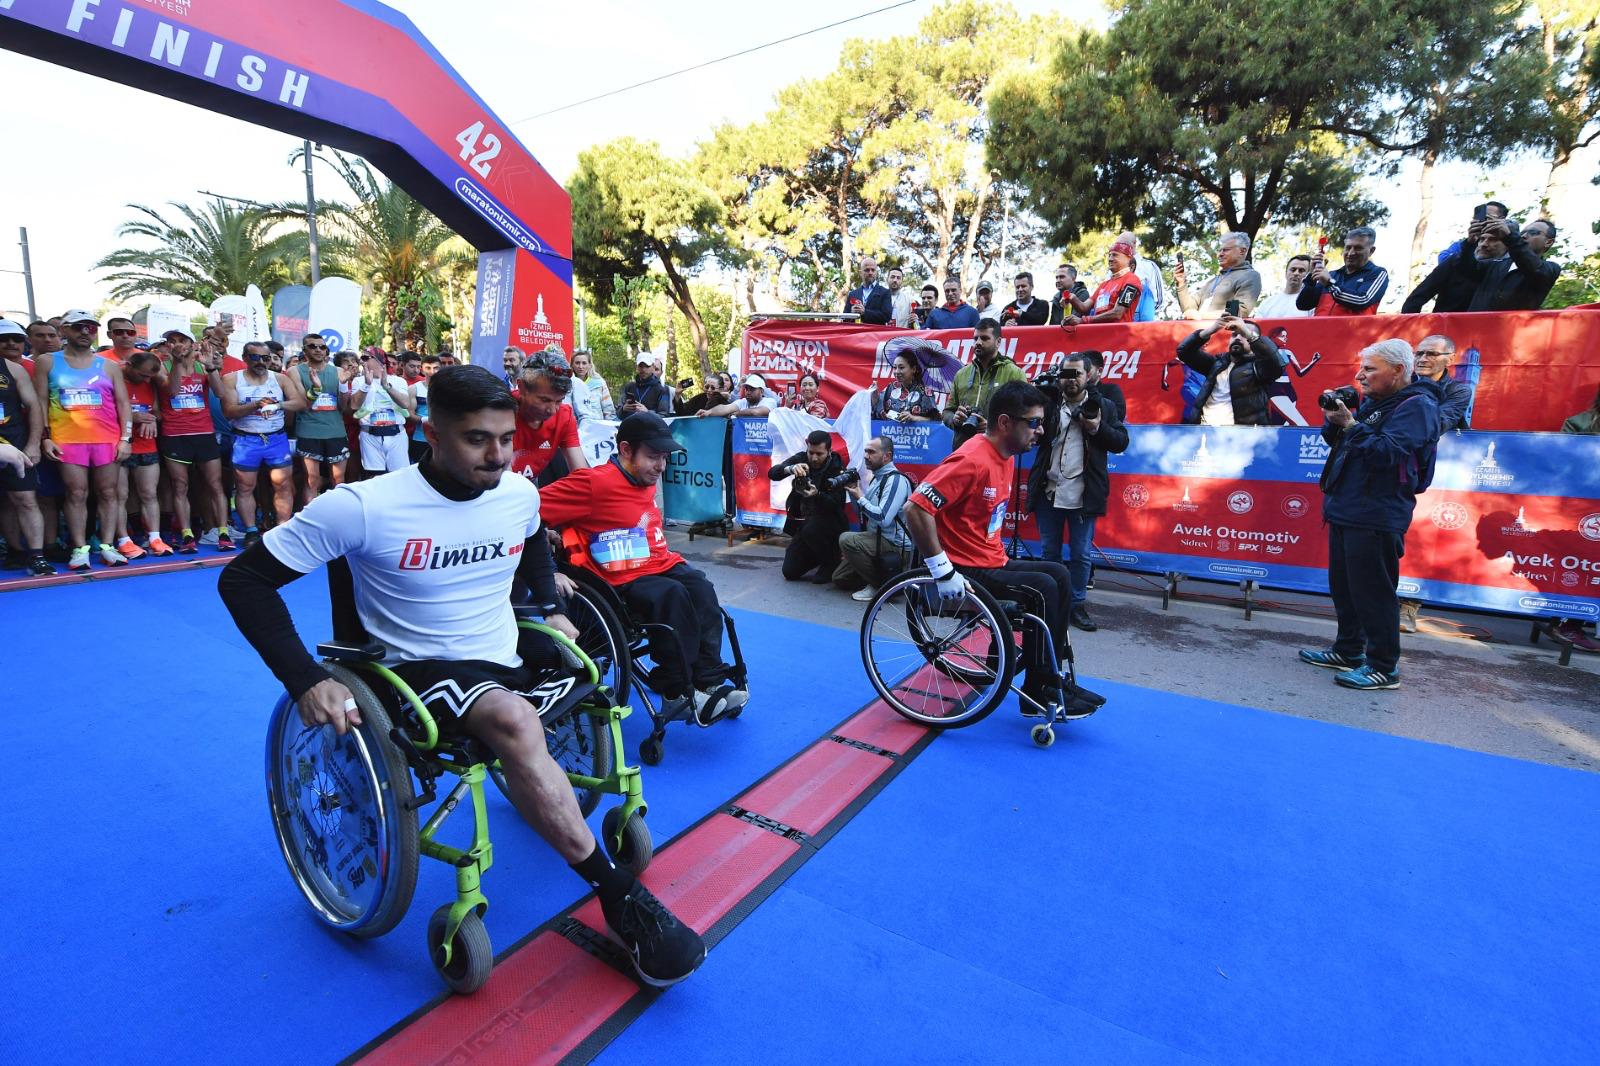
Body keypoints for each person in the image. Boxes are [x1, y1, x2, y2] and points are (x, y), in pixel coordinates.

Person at [218, 366, 706, 988]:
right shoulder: (363, 507)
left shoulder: (519, 493)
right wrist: (306, 678)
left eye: (505, 438)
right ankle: (617, 895)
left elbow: (530, 539)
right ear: (432, 432)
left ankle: (551, 784)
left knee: (592, 668)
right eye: (477, 439)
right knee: (512, 718)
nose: (497, 455)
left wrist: (548, 606)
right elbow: (244, 580)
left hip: (504, 652)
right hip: (414, 671)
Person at [541, 410, 749, 723]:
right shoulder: (592, 483)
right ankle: (676, 691)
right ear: (625, 450)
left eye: (664, 457)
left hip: (656, 561)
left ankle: (709, 680)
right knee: (672, 595)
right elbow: (526, 508)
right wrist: (546, 557)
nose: (661, 467)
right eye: (653, 457)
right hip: (614, 576)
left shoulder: (644, 477)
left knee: (701, 587)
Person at [905, 380, 1098, 715]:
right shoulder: (972, 459)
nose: (1040, 431)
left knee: (1059, 574)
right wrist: (941, 569)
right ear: (1006, 423)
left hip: (990, 558)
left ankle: (1053, 676)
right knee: (1042, 588)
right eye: (1034, 423)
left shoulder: (1006, 455)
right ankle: (1040, 688)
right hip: (965, 567)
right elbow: (916, 508)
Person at [1300, 339, 1442, 690]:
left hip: (1377, 512)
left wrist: (1350, 424)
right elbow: (1344, 443)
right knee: (1345, 588)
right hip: (1347, 506)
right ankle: (1348, 650)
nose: (1361, 376)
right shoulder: (1376, 402)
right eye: (1361, 368)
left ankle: (1384, 667)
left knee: (1374, 592)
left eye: (1370, 369)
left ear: (1397, 371)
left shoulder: (1417, 405)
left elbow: (1386, 452)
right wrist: (1336, 421)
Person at [1027, 353, 1129, 631]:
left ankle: (1076, 605)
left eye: (1076, 375)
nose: (1070, 380)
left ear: (1088, 376)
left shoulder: (1104, 406)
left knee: (1081, 554)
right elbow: (1031, 435)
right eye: (1065, 374)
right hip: (1049, 491)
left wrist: (1097, 429)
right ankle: (1051, 603)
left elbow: (1121, 441)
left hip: (1083, 495)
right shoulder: (1047, 405)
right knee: (1050, 552)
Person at [34, 310, 134, 571]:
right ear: (64, 331)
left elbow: (123, 404)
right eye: (78, 327)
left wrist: (125, 438)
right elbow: (40, 403)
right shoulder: (48, 361)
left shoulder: (108, 365)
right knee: (76, 493)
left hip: (106, 440)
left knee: (109, 493)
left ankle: (108, 546)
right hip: (67, 439)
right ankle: (80, 548)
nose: (85, 332)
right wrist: (45, 437)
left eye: (90, 327)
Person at [222, 341, 307, 545]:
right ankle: (251, 531)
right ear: (245, 358)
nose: (261, 362)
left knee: (283, 484)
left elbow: (300, 402)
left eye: (266, 358)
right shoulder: (232, 379)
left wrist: (278, 405)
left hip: (275, 437)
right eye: (255, 357)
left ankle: (282, 529)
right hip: (245, 439)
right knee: (245, 486)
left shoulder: (279, 379)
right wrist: (254, 405)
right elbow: (229, 411)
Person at [156, 327, 231, 553]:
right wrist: (178, 363)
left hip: (204, 433)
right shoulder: (162, 367)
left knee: (215, 484)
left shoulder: (202, 365)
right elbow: (174, 391)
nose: (176, 344)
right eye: (171, 341)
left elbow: (220, 394)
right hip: (175, 434)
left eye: (181, 340)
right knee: (180, 486)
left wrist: (211, 368)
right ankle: (187, 535)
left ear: (192, 343)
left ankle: (223, 532)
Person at [0, 320, 54, 574]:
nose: (11, 343)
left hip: (14, 442)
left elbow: (34, 407)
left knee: (25, 499)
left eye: (16, 339)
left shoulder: (15, 370)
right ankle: (15, 550)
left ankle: (36, 555)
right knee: (5, 504)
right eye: (4, 339)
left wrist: (34, 444)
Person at [834, 435, 913, 600]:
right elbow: (864, 515)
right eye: (865, 451)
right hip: (877, 538)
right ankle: (877, 577)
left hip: (895, 546)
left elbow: (883, 518)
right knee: (840, 578)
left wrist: (860, 497)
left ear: (887, 456)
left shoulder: (896, 480)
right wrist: (855, 494)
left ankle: (884, 586)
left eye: (871, 452)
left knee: (846, 539)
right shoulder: (878, 478)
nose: (866, 456)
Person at [1175, 315, 1287, 427]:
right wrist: (1211, 330)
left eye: (1243, 334)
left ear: (1253, 339)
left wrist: (1247, 332)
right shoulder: (1216, 363)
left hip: (1241, 437)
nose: (1238, 337)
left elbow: (1277, 363)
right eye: (1234, 334)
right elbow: (1184, 351)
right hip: (1206, 433)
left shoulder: (1259, 367)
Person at [769, 429, 850, 583]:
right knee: (790, 571)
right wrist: (790, 469)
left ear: (829, 451)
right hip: (805, 522)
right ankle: (817, 556)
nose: (814, 458)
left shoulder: (836, 466)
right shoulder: (801, 458)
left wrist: (817, 495)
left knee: (811, 529)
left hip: (830, 522)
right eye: (811, 452)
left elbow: (837, 504)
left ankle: (830, 562)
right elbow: (772, 473)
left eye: (819, 454)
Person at [116, 351, 170, 558]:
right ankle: (124, 540)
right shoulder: (115, 380)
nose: (147, 380)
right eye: (143, 375)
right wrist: (133, 416)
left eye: (150, 377)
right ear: (129, 366)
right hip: (120, 445)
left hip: (147, 445)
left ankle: (155, 538)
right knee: (119, 495)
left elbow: (156, 411)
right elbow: (105, 411)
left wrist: (150, 419)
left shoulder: (151, 384)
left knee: (149, 493)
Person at [1401, 215, 1511, 314]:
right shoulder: (1454, 263)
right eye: (1481, 239)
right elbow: (1416, 299)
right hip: (1444, 332)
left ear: (1507, 244)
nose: (1484, 244)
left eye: (1493, 239)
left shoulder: (1512, 271)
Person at [511, 348, 588, 483]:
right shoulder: (500, 412)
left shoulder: (564, 416)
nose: (552, 410)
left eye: (559, 400)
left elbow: (581, 475)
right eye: (544, 400)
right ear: (521, 387)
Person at [292, 333, 350, 508]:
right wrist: (316, 389)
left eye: (322, 346)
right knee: (312, 479)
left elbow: (344, 407)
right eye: (312, 346)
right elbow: (303, 404)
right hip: (309, 431)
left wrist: (343, 385)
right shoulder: (294, 371)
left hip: (335, 431)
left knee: (339, 479)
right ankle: (310, 521)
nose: (318, 350)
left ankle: (337, 519)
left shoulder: (338, 371)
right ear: (304, 350)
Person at [943, 320, 1026, 433]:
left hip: (997, 446)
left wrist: (995, 427)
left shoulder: (1014, 373)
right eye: (975, 338)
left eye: (984, 338)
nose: (978, 342)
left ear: (998, 342)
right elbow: (947, 412)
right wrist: (954, 419)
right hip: (964, 445)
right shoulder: (961, 374)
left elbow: (1023, 413)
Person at [1469, 218, 1561, 312]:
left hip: (1510, 326)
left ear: (1548, 242)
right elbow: (1465, 269)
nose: (1524, 236)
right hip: (1474, 324)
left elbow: (1533, 267)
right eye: (1522, 233)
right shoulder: (1495, 265)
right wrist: (1470, 243)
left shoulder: (1550, 269)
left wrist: (1510, 237)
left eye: (1533, 232)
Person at [350, 349, 415, 474]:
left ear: (379, 361)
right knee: (375, 477)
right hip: (370, 435)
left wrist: (386, 386)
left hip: (396, 434)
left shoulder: (398, 381)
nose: (361, 361)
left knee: (399, 476)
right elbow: (354, 405)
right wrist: (366, 384)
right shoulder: (359, 381)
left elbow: (405, 404)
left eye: (365, 357)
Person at [1298, 227, 1389, 316]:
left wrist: (1330, 284)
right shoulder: (1332, 275)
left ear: (1371, 251)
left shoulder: (1377, 273)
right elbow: (1303, 304)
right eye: (1348, 247)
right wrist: (1311, 276)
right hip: (1320, 330)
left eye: (1358, 248)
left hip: (1351, 331)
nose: (1351, 253)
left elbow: (1362, 300)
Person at [1060, 241, 1144, 325]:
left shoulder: (1132, 280)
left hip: (1119, 335)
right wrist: (1072, 298)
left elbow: (1118, 313)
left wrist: (1083, 320)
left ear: (1128, 259)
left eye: (1115, 255)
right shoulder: (1104, 285)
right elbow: (1084, 307)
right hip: (1100, 334)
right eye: (1109, 255)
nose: (1110, 259)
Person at [874, 352, 941, 422]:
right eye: (895, 367)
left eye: (901, 367)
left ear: (914, 369)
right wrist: (875, 399)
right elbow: (878, 413)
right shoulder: (890, 387)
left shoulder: (925, 392)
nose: (897, 371)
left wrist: (913, 418)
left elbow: (935, 420)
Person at [1120, 233, 1168, 321]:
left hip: (1142, 322)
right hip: (1117, 321)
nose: (1121, 247)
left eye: (1123, 244)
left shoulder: (1149, 266)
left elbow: (1158, 300)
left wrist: (1141, 315)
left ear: (1134, 243)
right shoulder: (1112, 271)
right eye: (1118, 244)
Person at [408, 353, 440, 463]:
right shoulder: (414, 388)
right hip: (420, 438)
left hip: (442, 439)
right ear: (422, 369)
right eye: (428, 368)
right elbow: (410, 415)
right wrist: (426, 421)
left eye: (436, 368)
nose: (432, 372)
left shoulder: (447, 389)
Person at [1079, 351, 1127, 422]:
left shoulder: (1111, 390)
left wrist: (1090, 389)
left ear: (1099, 371)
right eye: (1080, 368)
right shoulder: (1072, 390)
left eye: (1087, 368)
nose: (1082, 372)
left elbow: (1117, 417)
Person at [699, 374, 776, 418]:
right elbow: (724, 408)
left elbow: (756, 412)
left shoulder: (770, 402)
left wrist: (738, 413)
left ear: (762, 391)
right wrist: (708, 412)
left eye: (752, 389)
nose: (748, 392)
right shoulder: (743, 402)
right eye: (746, 389)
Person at [843, 256, 892, 325]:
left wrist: (865, 312)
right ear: (860, 273)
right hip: (856, 334)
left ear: (876, 272)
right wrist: (852, 314)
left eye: (873, 270)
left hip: (875, 334)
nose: (870, 272)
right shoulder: (852, 294)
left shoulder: (885, 292)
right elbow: (844, 318)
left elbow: (887, 317)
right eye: (867, 270)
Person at [570, 349, 616, 420]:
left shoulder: (599, 383)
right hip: (576, 427)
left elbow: (609, 410)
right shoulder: (568, 384)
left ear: (590, 365)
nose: (580, 366)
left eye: (584, 363)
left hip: (597, 426)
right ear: (572, 365)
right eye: (577, 363)